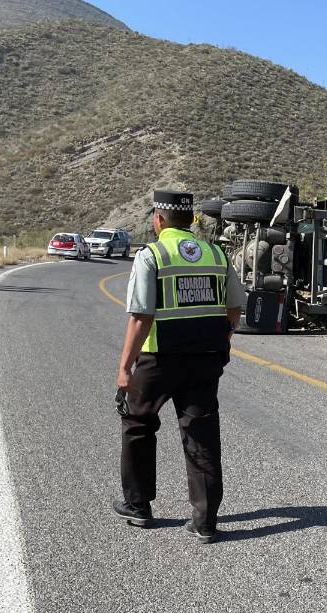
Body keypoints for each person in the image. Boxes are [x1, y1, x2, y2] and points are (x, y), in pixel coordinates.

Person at [113, 189, 246, 544]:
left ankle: (138, 506)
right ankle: (204, 521)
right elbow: (235, 308)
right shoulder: (217, 254)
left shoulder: (152, 255)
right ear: (191, 221)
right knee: (201, 432)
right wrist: (225, 337)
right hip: (205, 358)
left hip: (158, 358)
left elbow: (141, 316)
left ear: (158, 220)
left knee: (138, 423)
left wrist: (125, 367)